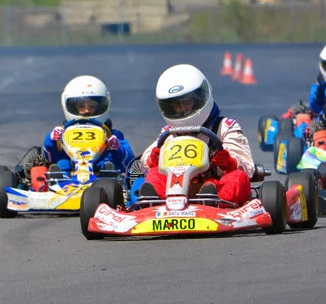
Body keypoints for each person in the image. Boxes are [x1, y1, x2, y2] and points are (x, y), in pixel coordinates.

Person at [139, 64, 255, 205]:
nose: (182, 109)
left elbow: (247, 167)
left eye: (186, 102)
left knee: (238, 177)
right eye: (176, 104)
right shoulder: (169, 133)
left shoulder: (224, 127)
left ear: (200, 98)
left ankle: (214, 202)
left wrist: (229, 162)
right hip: (175, 188)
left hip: (214, 186)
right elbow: (143, 163)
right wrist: (152, 159)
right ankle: (154, 203)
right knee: (154, 173)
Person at [44, 75, 135, 176]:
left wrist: (117, 148)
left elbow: (129, 161)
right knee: (62, 164)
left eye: (92, 106)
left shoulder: (112, 135)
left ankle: (108, 181)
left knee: (106, 165)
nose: (87, 111)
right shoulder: (62, 134)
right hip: (69, 179)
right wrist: (52, 139)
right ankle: (60, 183)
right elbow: (49, 156)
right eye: (81, 106)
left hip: (101, 181)